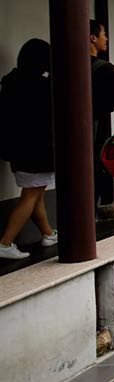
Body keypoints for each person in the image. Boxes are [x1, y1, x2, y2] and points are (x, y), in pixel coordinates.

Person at [0, 40, 56, 259]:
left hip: (18, 150)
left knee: (35, 193)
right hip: (38, 150)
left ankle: (48, 233)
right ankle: (5, 243)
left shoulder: (10, 82)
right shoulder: (41, 86)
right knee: (31, 195)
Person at [90, 19, 114, 220]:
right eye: (103, 34)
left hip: (66, 132)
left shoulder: (64, 65)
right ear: (92, 38)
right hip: (97, 130)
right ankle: (90, 215)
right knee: (95, 170)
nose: (106, 38)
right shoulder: (107, 70)